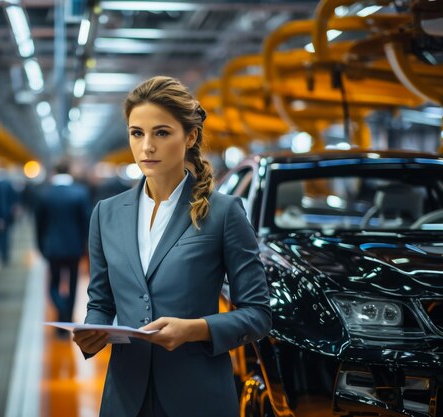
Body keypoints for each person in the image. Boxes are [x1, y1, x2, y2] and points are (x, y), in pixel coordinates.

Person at [73, 76, 271, 417]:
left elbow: (258, 314)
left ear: (190, 136)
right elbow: (101, 301)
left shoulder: (223, 213)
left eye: (161, 133)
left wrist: (196, 329)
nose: (146, 146)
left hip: (197, 395)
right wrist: (93, 329)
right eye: (137, 133)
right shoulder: (106, 214)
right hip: (125, 396)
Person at [35, 159, 91, 334]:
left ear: (54, 172)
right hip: (74, 247)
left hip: (52, 247)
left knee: (54, 284)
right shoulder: (80, 193)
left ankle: (61, 312)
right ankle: (67, 316)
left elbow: (39, 225)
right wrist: (86, 247)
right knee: (73, 282)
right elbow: (85, 222)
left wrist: (40, 246)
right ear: (70, 172)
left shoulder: (45, 194)